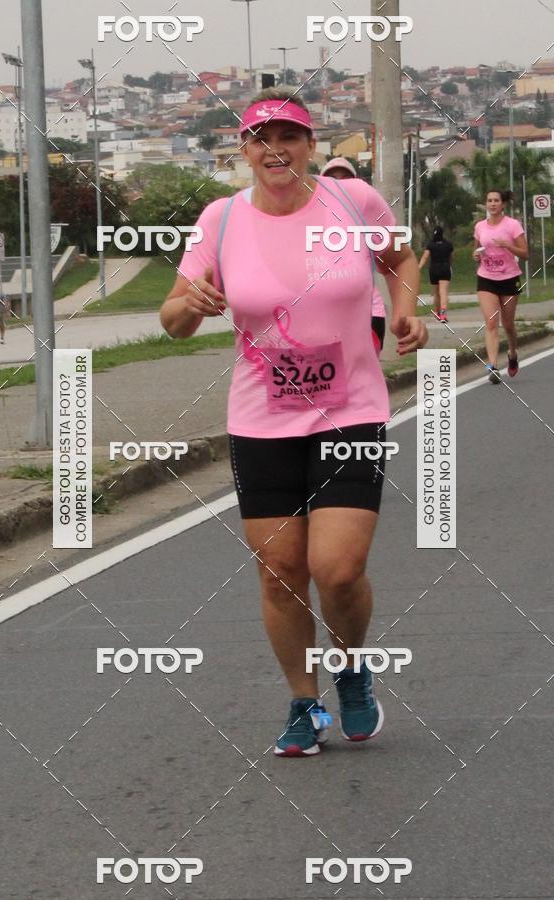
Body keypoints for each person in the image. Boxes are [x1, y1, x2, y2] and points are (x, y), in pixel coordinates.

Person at [161, 89, 427, 757]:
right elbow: (173, 320)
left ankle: (352, 668)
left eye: (289, 136)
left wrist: (406, 309)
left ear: (310, 145)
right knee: (280, 571)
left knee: (336, 569)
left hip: (350, 409)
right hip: (262, 419)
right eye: (261, 138)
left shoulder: (352, 202)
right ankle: (304, 704)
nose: (275, 149)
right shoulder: (221, 220)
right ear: (244, 150)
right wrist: (192, 303)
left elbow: (400, 259)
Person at [321, 157, 386, 352]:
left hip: (369, 312)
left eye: (346, 179)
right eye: (333, 179)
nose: (340, 184)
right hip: (327, 315)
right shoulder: (309, 220)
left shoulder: (367, 218)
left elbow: (397, 260)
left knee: (365, 368)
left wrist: (404, 312)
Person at [473, 189, 528, 384]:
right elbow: (477, 249)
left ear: (502, 204)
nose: (493, 204)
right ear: (486, 204)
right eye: (489, 201)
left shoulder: (512, 225)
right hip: (486, 278)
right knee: (491, 323)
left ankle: (512, 353)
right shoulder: (480, 226)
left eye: (496, 200)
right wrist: (476, 255)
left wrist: (508, 246)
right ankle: (493, 366)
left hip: (509, 279)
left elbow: (525, 253)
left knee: (508, 324)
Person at [418, 226, 454, 322]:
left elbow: (425, 257)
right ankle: (443, 315)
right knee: (443, 293)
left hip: (434, 269)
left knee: (436, 293)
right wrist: (449, 266)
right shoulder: (448, 244)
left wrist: (419, 268)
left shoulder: (431, 244)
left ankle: (437, 312)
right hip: (445, 268)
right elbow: (451, 257)